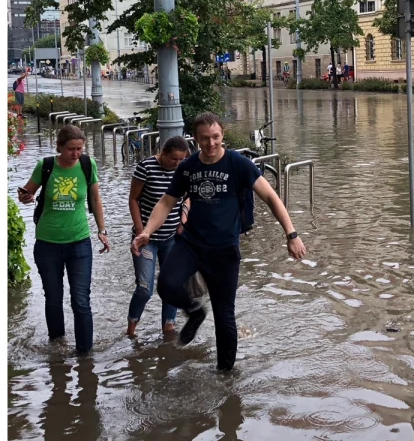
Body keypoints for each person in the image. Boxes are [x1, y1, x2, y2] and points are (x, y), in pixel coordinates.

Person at [133, 112, 307, 371]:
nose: (211, 144)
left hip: (224, 250)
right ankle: (194, 312)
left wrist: (291, 234)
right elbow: (167, 201)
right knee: (166, 285)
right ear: (196, 139)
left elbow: (271, 197)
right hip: (192, 244)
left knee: (225, 316)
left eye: (215, 137)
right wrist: (147, 231)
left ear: (222, 134)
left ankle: (225, 376)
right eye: (204, 139)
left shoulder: (238, 164)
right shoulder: (188, 167)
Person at [16, 125, 111, 355]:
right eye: (71, 149)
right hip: (47, 243)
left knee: (80, 299)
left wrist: (102, 230)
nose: (76, 154)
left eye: (79, 149)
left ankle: (85, 355)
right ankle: (57, 347)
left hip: (79, 243)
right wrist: (26, 197)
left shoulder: (88, 165)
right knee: (53, 298)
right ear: (59, 147)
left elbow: (96, 198)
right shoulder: (46, 166)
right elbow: (25, 193)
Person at [127, 135, 191, 338]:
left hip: (172, 239)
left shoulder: (184, 170)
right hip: (147, 240)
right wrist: (140, 230)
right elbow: (134, 199)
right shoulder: (146, 167)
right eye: (174, 159)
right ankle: (131, 330)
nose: (177, 164)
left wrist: (183, 218)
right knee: (145, 288)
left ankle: (168, 330)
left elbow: (188, 198)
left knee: (171, 285)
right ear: (163, 154)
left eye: (181, 160)